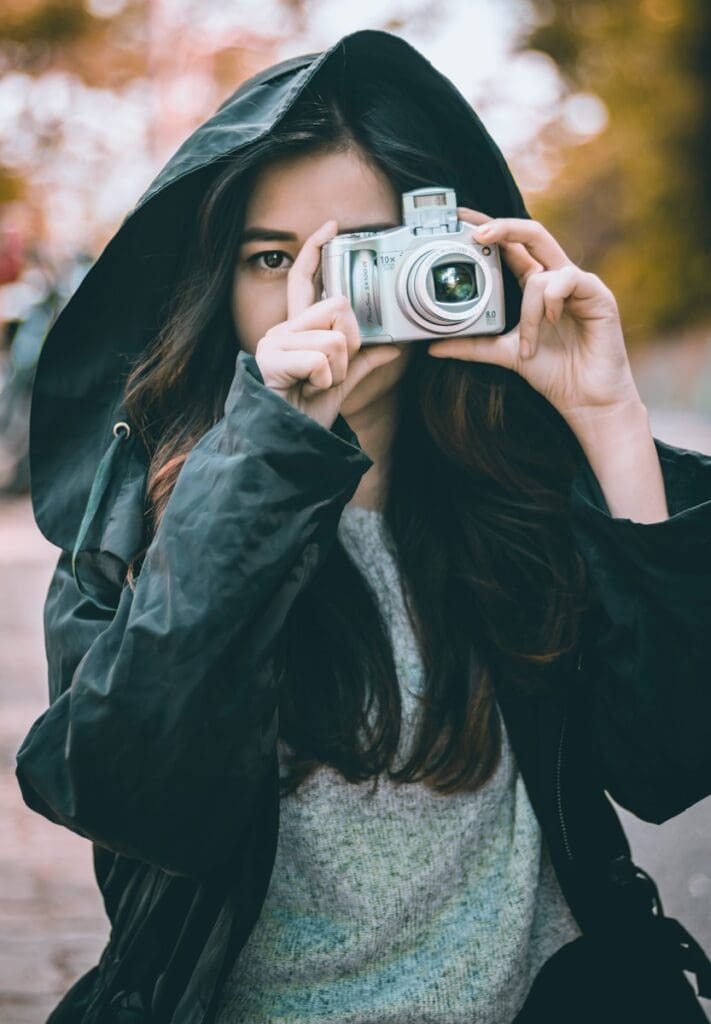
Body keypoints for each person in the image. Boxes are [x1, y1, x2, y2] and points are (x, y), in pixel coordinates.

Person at [14, 28, 711, 1024]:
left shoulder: (515, 498)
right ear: (220, 285)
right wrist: (276, 442)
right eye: (273, 258)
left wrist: (609, 420)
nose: (323, 296)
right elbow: (135, 798)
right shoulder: (142, 520)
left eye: (364, 253)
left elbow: (672, 758)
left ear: (446, 258)